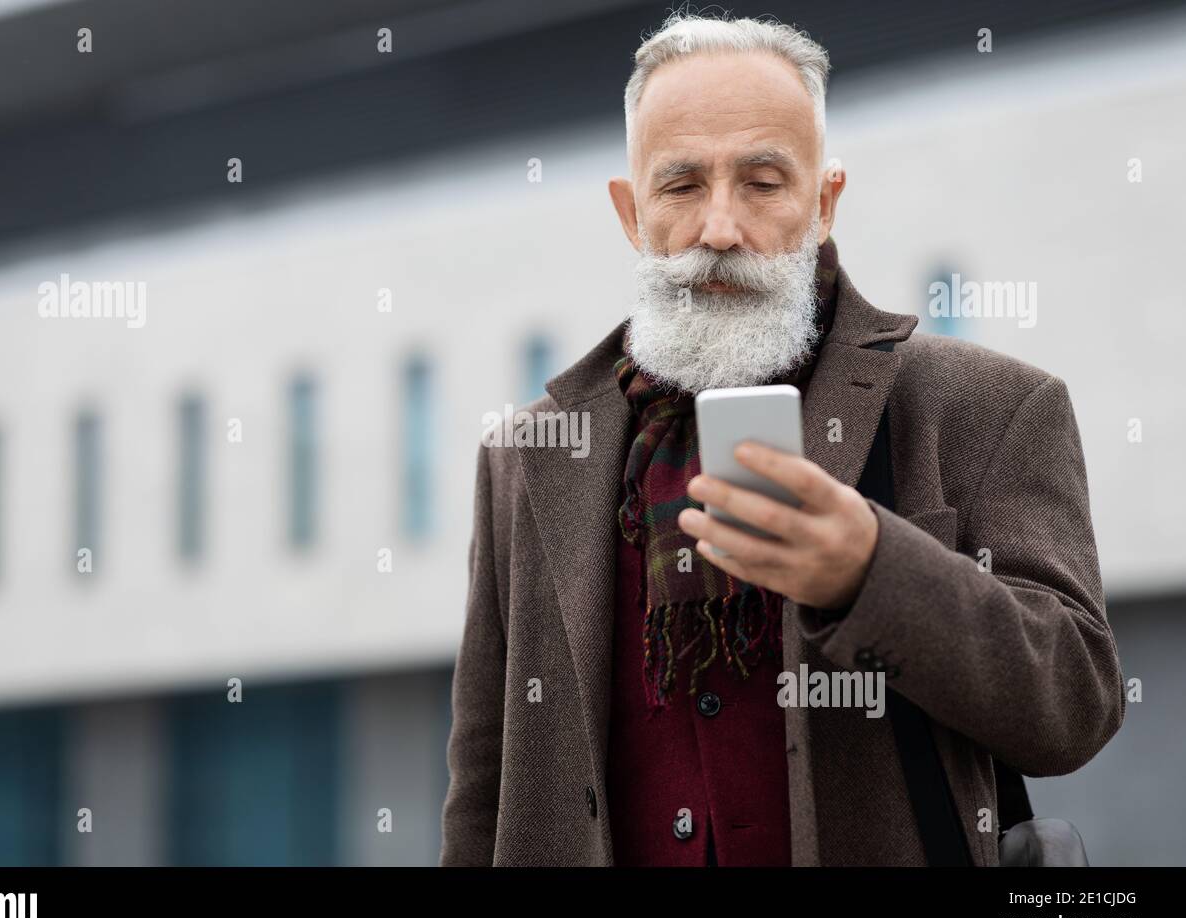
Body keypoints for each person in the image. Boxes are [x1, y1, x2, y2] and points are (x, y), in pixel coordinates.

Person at [440, 12, 1124, 866]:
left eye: (762, 183)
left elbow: (1075, 705)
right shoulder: (527, 458)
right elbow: (483, 788)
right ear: (630, 211)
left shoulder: (985, 405)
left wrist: (871, 572)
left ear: (825, 200)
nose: (720, 230)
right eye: (682, 186)